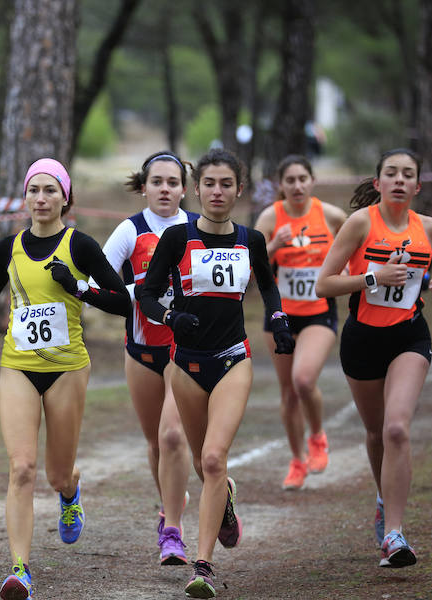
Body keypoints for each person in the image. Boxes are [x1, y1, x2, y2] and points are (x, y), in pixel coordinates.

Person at [0, 158, 129, 600]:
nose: (41, 198)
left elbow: (123, 303)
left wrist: (78, 287)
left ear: (65, 198)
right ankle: (19, 569)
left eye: (51, 190)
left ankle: (70, 492)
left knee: (54, 474)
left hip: (68, 368)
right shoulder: (6, 248)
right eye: (34, 190)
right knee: (21, 468)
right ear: (25, 198)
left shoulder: (81, 245)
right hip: (18, 366)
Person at [139, 149, 295, 598]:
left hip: (233, 358)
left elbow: (267, 283)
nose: (217, 192)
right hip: (185, 364)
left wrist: (279, 319)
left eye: (227, 184)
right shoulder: (177, 238)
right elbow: (148, 296)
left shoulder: (251, 239)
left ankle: (202, 567)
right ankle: (223, 494)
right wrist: (170, 319)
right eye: (209, 183)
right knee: (201, 461)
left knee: (210, 457)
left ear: (239, 190)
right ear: (196, 189)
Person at [315, 148, 432, 568]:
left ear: (418, 186)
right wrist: (372, 278)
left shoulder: (429, 228)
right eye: (391, 173)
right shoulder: (360, 223)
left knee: (397, 428)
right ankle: (383, 498)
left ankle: (395, 535)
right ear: (378, 183)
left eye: (408, 175)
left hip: (409, 337)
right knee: (377, 433)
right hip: (361, 339)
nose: (399, 180)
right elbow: (324, 284)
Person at [99, 150, 198, 564]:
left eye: (172, 182)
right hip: (141, 352)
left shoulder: (199, 229)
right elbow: (98, 279)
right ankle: (171, 511)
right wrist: (124, 295)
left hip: (189, 352)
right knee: (156, 443)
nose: (164, 189)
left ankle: (172, 532)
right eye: (156, 182)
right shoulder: (130, 230)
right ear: (143, 188)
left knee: (176, 437)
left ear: (183, 189)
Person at [254, 155, 347, 490]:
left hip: (319, 311)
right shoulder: (270, 217)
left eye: (302, 179)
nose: (296, 186)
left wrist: (348, 269)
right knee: (289, 393)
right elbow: (250, 265)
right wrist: (274, 245)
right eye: (289, 180)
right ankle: (297, 460)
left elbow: (357, 245)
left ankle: (318, 436)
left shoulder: (331, 215)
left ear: (312, 181)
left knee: (304, 380)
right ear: (281, 185)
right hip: (279, 315)